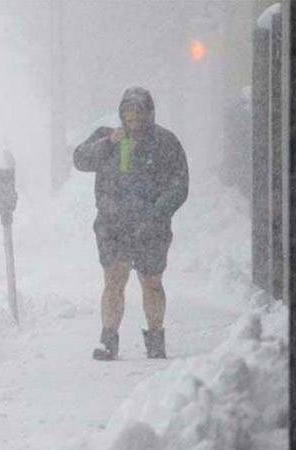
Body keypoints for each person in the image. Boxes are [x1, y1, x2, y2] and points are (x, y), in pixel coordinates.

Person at [73, 86, 188, 360]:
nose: (132, 116)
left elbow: (180, 184)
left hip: (151, 227)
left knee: (152, 282)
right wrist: (110, 142)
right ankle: (108, 340)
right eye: (127, 110)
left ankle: (156, 338)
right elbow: (80, 159)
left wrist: (157, 212)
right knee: (114, 280)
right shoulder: (108, 137)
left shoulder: (165, 142)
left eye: (138, 110)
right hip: (113, 224)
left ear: (149, 112)